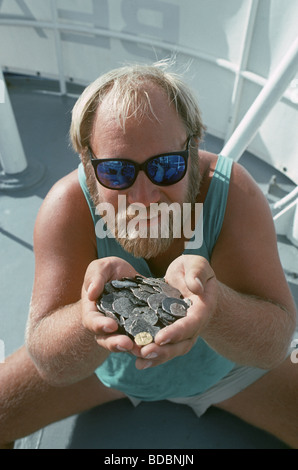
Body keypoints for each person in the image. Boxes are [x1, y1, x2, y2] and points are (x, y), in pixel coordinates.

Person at [0, 62, 297, 449]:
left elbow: (273, 344)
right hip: (104, 369)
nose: (143, 197)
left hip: (228, 372)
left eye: (166, 166)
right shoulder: (66, 206)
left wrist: (214, 303)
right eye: (117, 172)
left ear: (193, 148)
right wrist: (91, 318)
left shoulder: (231, 192)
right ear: (87, 165)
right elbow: (49, 360)